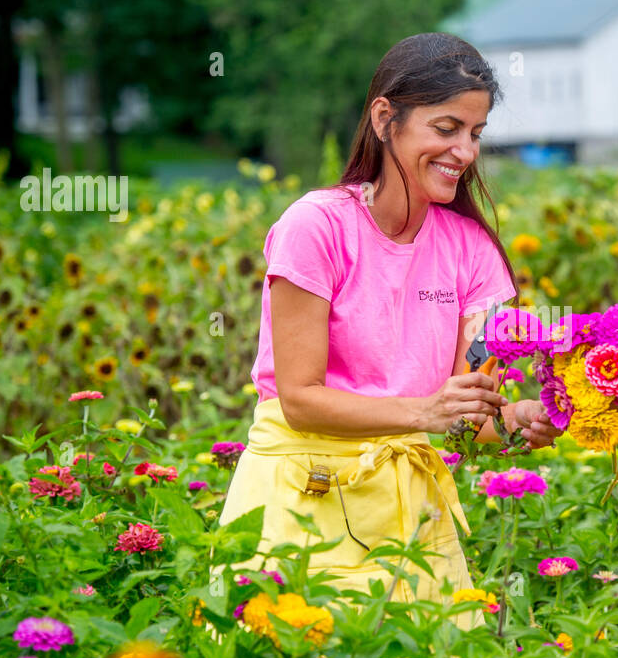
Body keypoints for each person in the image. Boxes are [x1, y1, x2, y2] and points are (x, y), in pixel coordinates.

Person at [216, 33, 561, 626]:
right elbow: (299, 400)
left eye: (475, 134)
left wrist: (513, 422)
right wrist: (425, 413)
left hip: (412, 521)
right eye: (446, 128)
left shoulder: (476, 255)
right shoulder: (314, 227)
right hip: (302, 498)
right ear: (384, 118)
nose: (465, 152)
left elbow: (462, 420)